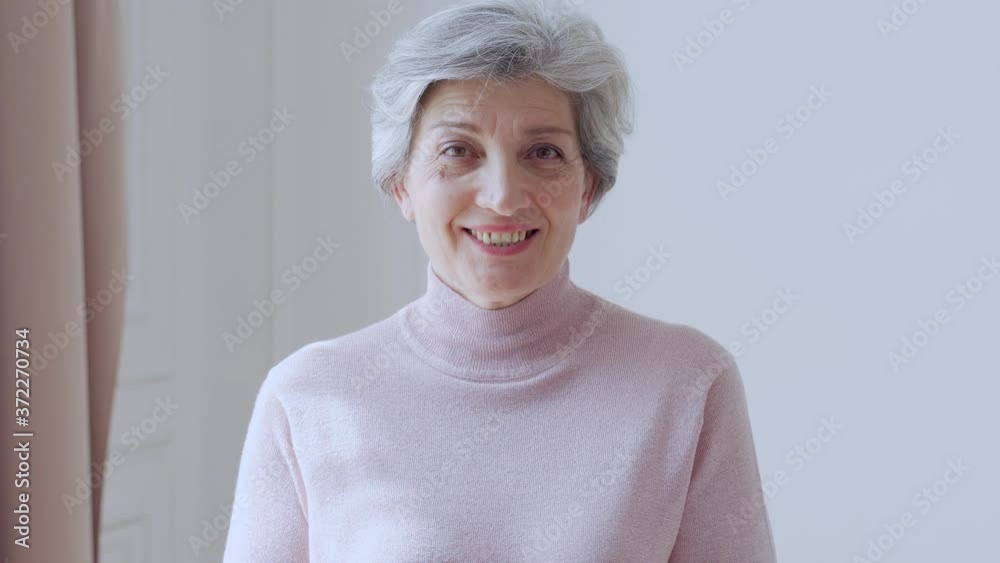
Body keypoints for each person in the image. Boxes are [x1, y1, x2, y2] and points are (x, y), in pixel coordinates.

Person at [222, 0, 777, 561]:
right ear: (402, 185)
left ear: (588, 188)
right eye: (457, 151)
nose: (503, 196)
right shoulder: (309, 396)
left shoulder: (687, 382)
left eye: (544, 152)